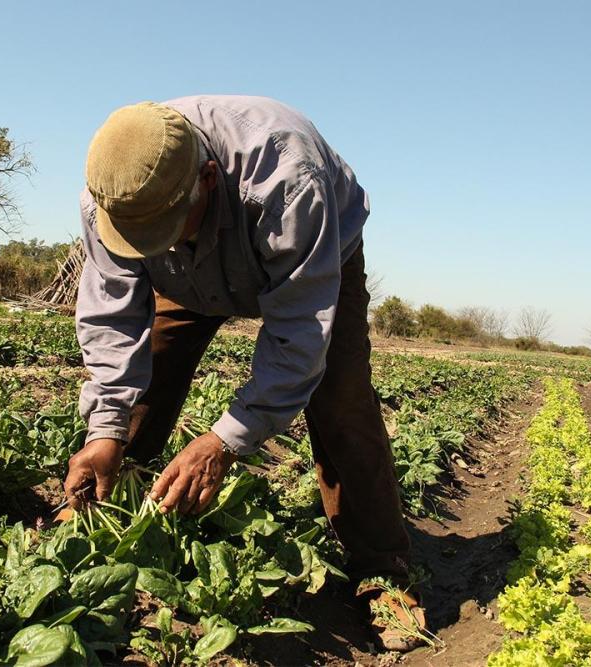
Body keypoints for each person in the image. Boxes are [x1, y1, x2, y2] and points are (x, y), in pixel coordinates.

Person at [64, 95, 426, 651]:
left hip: (307, 254)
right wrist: (104, 429)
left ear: (208, 179)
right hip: (187, 274)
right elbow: (112, 318)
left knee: (339, 394)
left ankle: (383, 568)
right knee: (151, 366)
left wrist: (225, 440)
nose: (152, 242)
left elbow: (300, 334)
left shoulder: (287, 177)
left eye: (165, 227)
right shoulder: (113, 191)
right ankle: (109, 502)